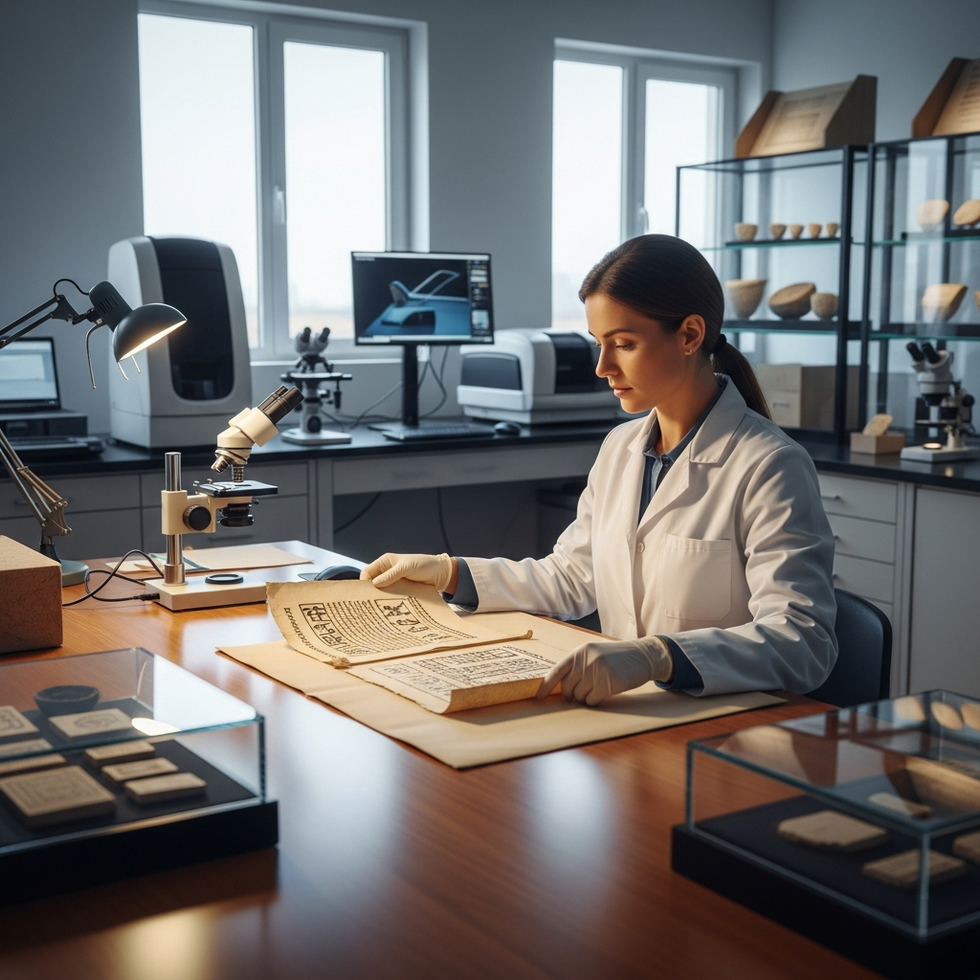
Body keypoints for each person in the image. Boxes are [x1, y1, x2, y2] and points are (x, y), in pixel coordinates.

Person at [361, 235, 837, 705]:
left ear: (690, 335)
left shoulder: (769, 465)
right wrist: (450, 573)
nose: (602, 367)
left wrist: (660, 656)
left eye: (623, 344)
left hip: (722, 723)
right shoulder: (620, 447)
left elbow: (803, 641)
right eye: (599, 344)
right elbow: (572, 576)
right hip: (626, 715)